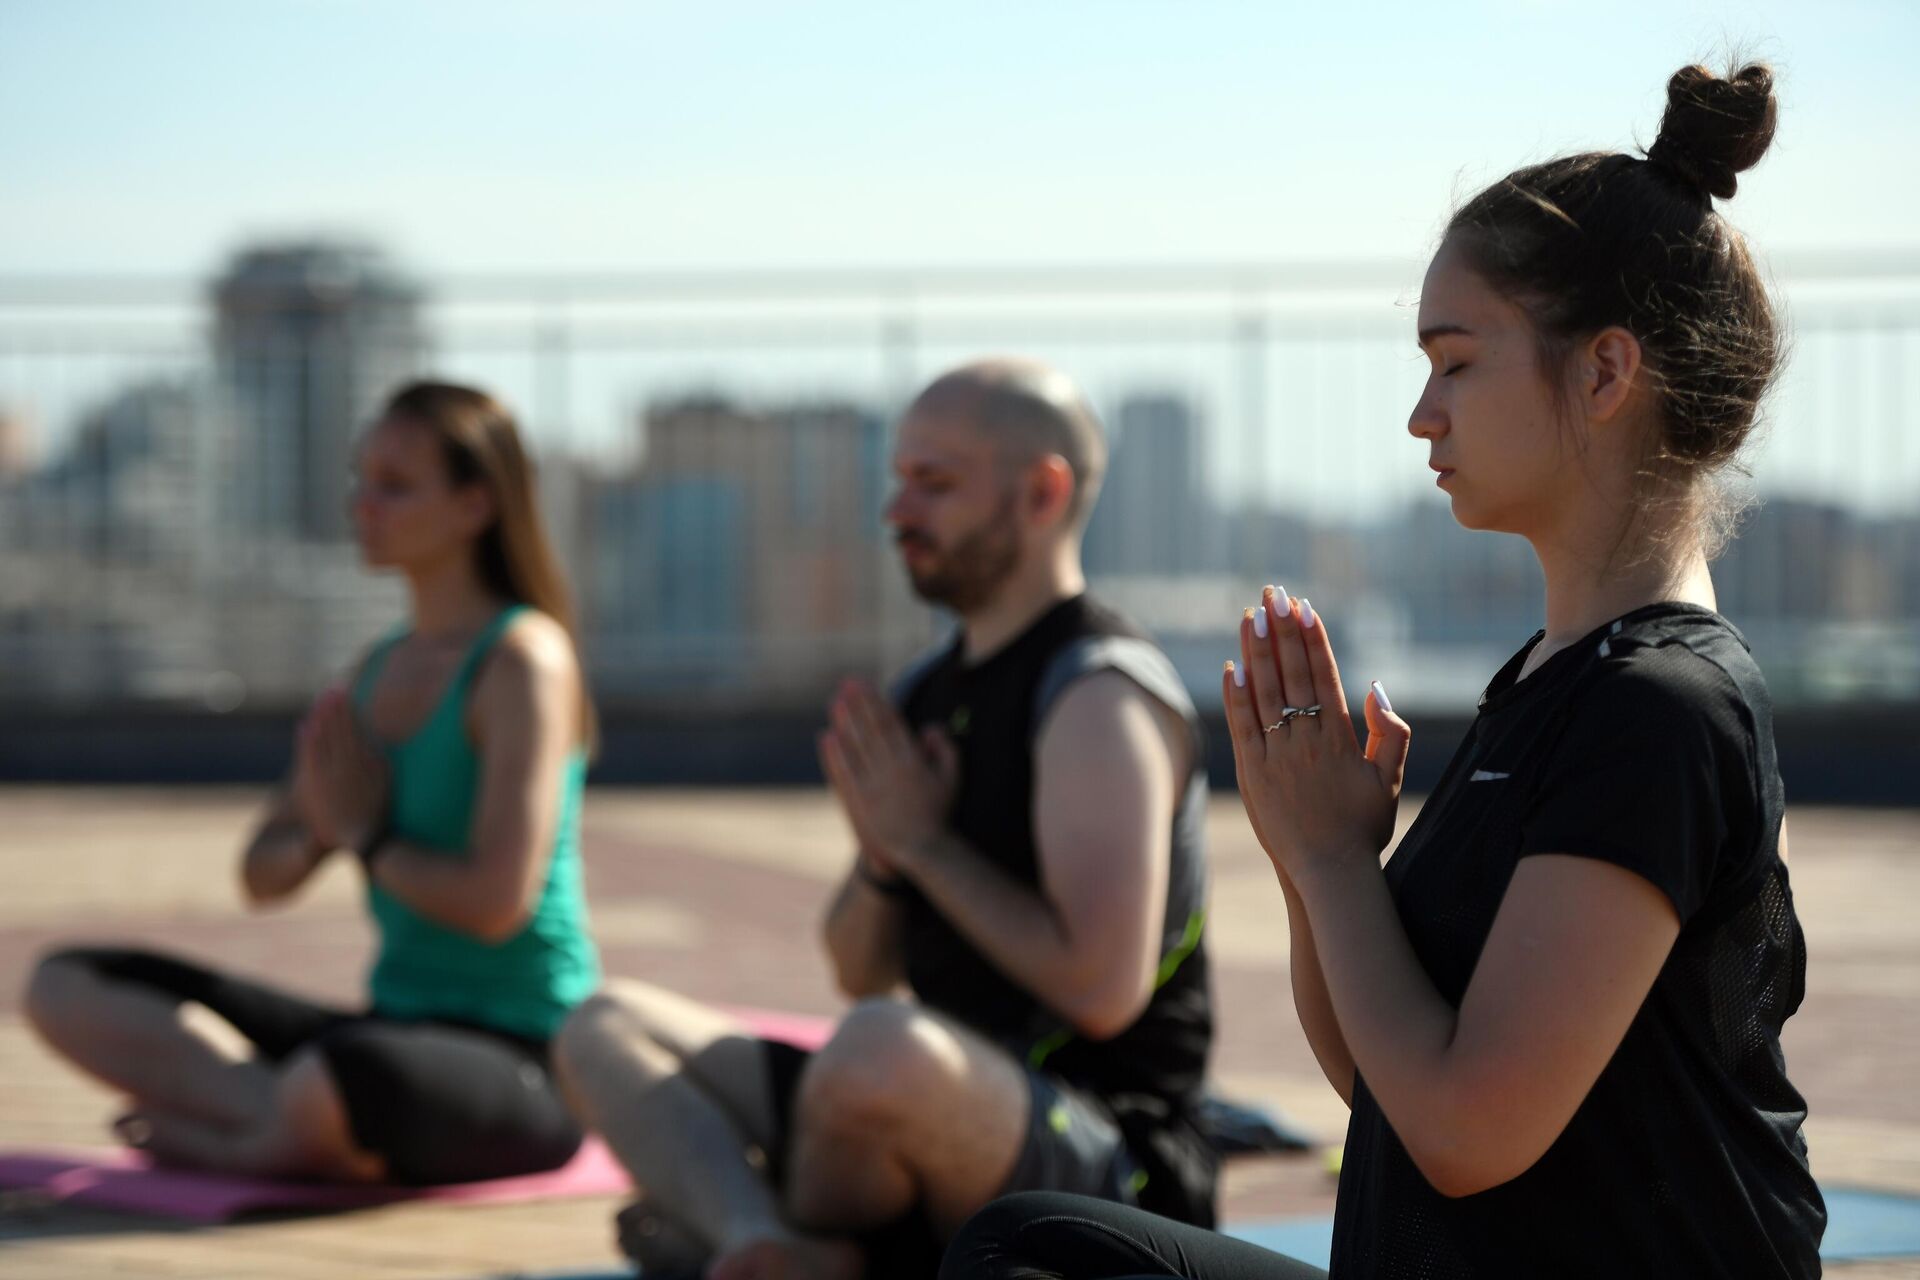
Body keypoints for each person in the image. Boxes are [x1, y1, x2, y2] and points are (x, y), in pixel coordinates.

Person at [944, 60, 1824, 1280]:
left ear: (1606, 373)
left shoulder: (1659, 709)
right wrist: (1324, 871)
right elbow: (1383, 1077)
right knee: (1035, 1248)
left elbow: (1466, 1130)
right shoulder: (1562, 677)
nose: (1423, 412)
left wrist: (1325, 861)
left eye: (1456, 361)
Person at [553, 358, 1217, 1280]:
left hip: (1105, 1151)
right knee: (602, 1023)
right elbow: (857, 969)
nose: (897, 511)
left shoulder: (1097, 694)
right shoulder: (925, 692)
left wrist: (922, 844)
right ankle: (760, 1243)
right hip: (917, 1099)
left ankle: (766, 1242)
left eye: (933, 484)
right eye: (899, 480)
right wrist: (883, 863)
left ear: (1041, 493)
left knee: (876, 1053)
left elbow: (1102, 989)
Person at [23, 381, 602, 1187]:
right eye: (361, 480)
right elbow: (263, 872)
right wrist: (325, 831)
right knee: (66, 985)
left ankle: (252, 1136)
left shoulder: (522, 661)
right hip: (392, 1027)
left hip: (526, 1057)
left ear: (476, 505)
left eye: (395, 486)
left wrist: (367, 836)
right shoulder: (374, 670)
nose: (365, 504)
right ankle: (278, 1121)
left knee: (340, 1076)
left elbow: (497, 901)